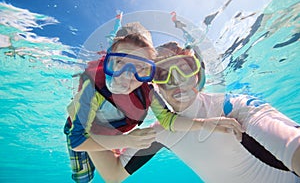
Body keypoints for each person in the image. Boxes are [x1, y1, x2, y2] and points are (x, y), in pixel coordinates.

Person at [63, 23, 244, 183]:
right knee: (83, 177)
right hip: (84, 131)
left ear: (149, 72)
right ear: (109, 60)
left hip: (113, 132)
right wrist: (124, 140)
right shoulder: (92, 89)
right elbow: (78, 141)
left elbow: (168, 120)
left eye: (141, 68)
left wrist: (205, 124)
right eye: (120, 62)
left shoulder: (147, 92)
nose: (128, 75)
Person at [119, 41, 300, 183]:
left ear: (198, 73)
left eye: (184, 69)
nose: (176, 81)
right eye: (162, 74)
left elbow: (292, 142)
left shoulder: (231, 107)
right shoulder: (161, 131)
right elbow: (113, 174)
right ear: (154, 87)